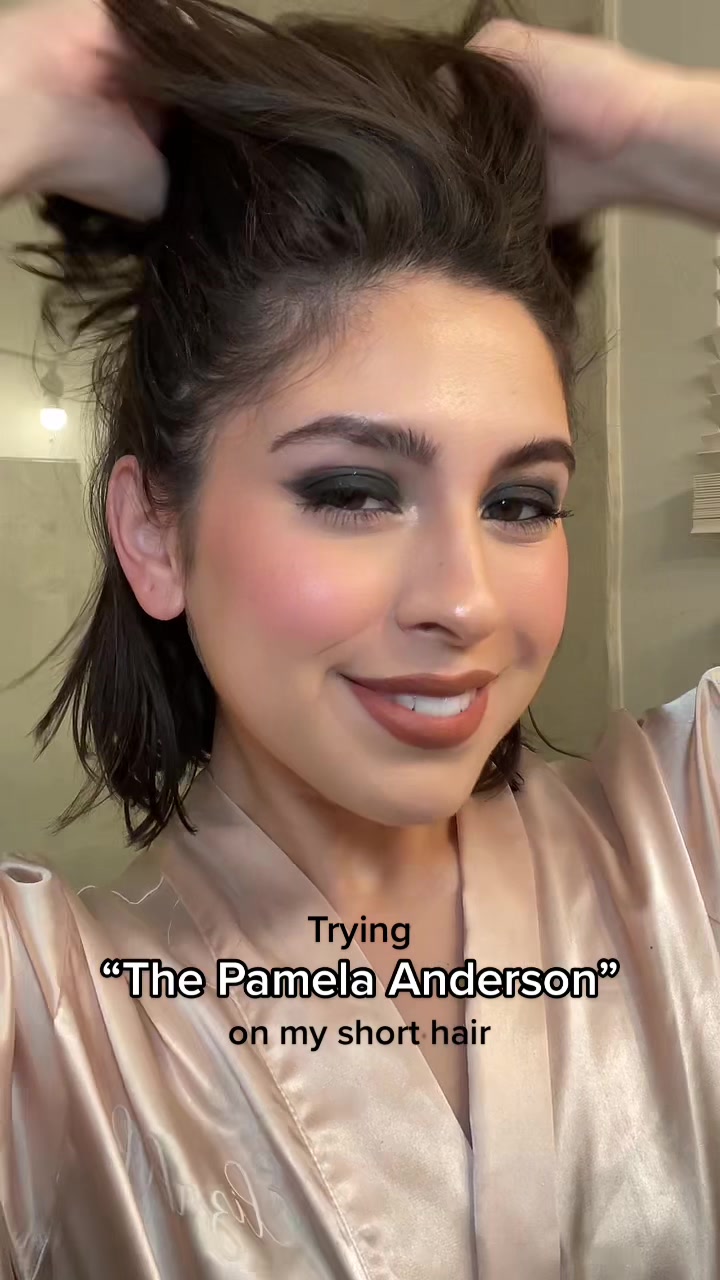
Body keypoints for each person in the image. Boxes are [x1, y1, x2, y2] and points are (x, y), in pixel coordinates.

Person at [0, 0, 718, 1275]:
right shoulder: (49, 1031)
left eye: (520, 503)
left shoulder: (690, 843)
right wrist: (34, 80)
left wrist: (643, 127)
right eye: (353, 491)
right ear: (155, 533)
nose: (465, 600)